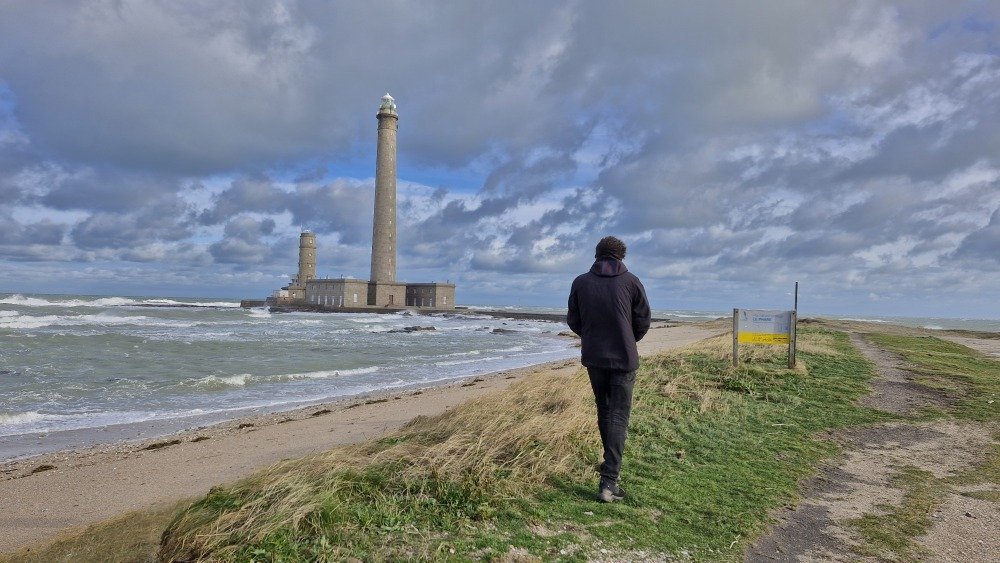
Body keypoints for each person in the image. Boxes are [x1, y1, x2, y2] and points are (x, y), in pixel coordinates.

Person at [566, 236, 651, 503]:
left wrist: (592, 336)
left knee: (604, 410)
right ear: (621, 256)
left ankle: (609, 471)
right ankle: (610, 480)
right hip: (623, 357)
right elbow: (643, 320)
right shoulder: (631, 281)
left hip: (594, 356)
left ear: (597, 254)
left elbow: (574, 320)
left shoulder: (581, 282)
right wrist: (626, 339)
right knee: (618, 416)